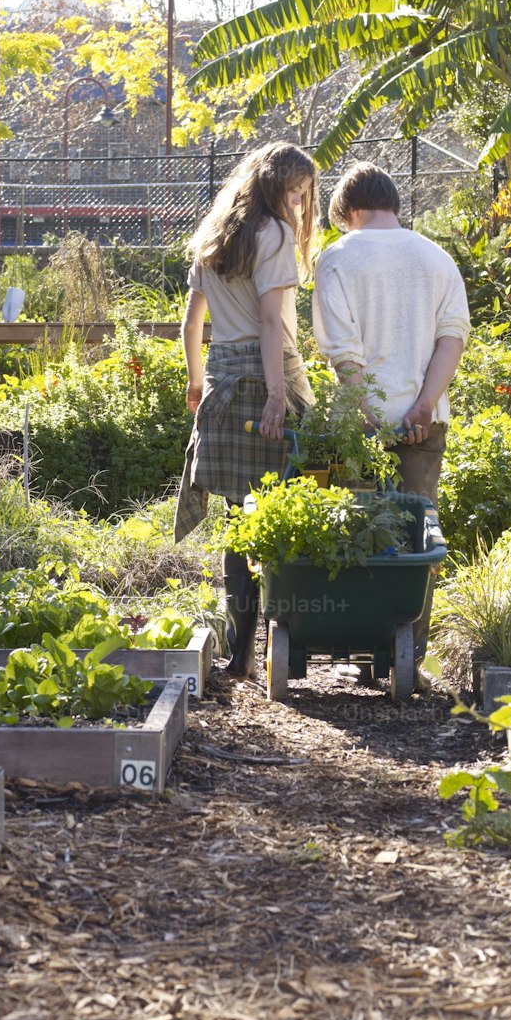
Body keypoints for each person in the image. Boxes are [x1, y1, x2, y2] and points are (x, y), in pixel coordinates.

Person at [311, 161, 470, 661]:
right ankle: (408, 656)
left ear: (349, 210)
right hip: (426, 421)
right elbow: (452, 339)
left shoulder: (337, 258)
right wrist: (423, 404)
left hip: (359, 427)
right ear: (393, 204)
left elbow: (343, 352)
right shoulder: (437, 257)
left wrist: (365, 409)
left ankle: (355, 646)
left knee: (354, 533)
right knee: (418, 536)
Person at [173, 142, 318, 676]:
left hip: (220, 384)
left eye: (305, 194)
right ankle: (291, 646)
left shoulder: (213, 236)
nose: (301, 204)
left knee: (239, 521)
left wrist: (195, 383)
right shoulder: (274, 234)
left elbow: (192, 325)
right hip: (266, 379)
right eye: (295, 192)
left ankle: (240, 654)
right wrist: (280, 395)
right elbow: (270, 326)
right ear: (273, 188)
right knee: (286, 514)